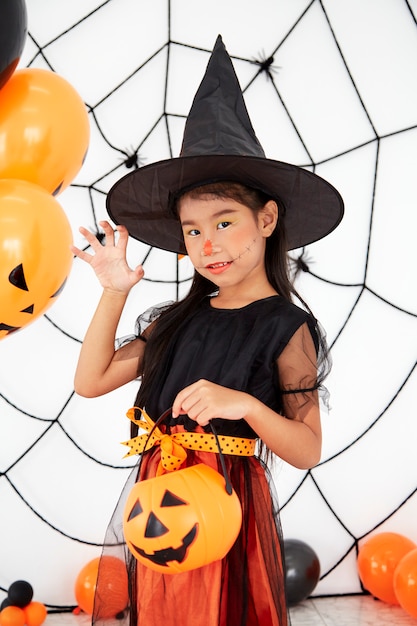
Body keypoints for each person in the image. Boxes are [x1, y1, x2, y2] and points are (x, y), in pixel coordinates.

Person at [72, 36, 343, 626]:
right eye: (192, 230)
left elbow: (306, 449)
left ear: (266, 220)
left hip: (227, 506)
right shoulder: (179, 320)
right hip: (159, 498)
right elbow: (90, 381)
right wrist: (115, 292)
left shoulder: (285, 328)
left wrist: (242, 403)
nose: (208, 244)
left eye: (224, 222)